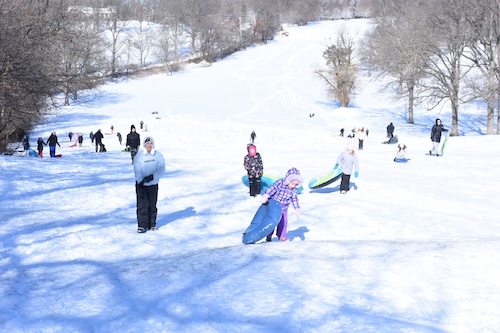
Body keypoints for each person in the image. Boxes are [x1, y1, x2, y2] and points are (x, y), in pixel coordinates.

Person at [134, 136, 165, 233]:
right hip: (142, 184)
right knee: (142, 205)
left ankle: (152, 224)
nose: (149, 145)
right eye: (147, 144)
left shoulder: (158, 156)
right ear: (144, 145)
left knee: (152, 205)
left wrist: (152, 177)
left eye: (150, 143)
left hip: (153, 185)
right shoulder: (139, 156)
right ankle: (142, 225)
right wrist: (141, 181)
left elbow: (161, 169)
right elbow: (137, 169)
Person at [261, 167, 302, 242]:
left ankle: (281, 236)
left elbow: (294, 199)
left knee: (283, 222)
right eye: (292, 184)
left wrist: (297, 209)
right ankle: (269, 236)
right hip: (274, 207)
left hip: (284, 208)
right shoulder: (280, 183)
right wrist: (266, 195)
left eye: (296, 185)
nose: (293, 186)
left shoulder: (293, 190)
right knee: (272, 222)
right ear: (288, 180)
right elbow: (272, 189)